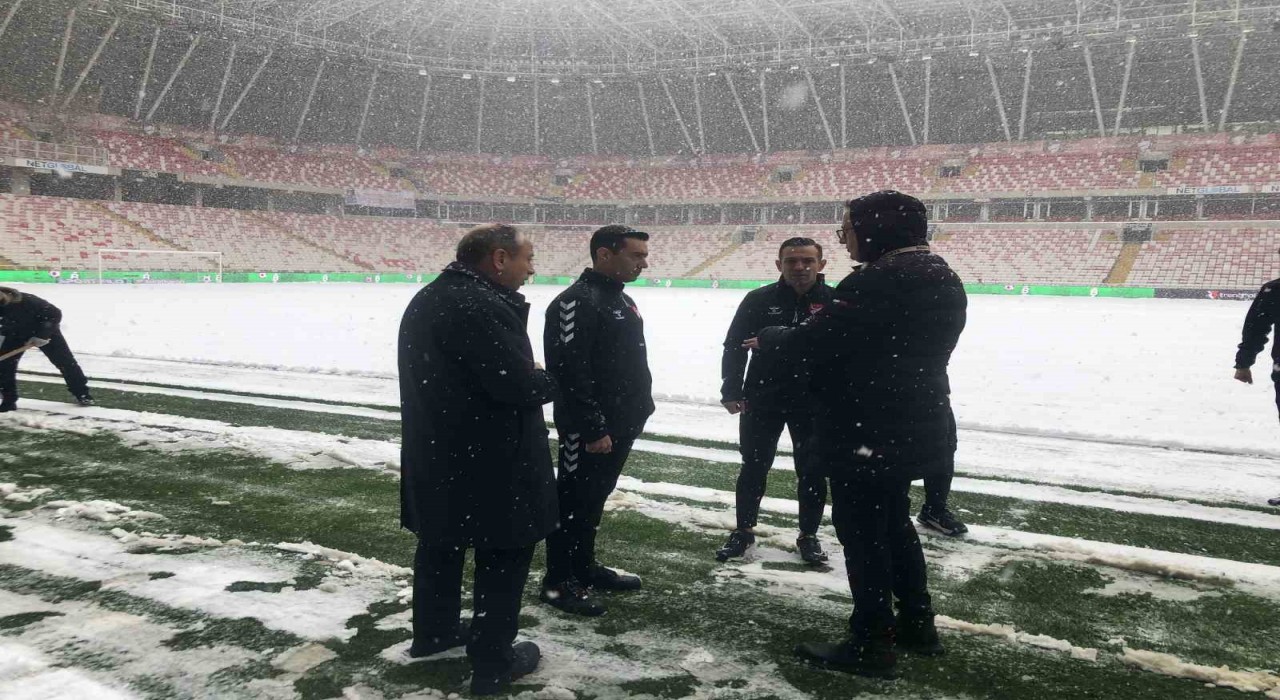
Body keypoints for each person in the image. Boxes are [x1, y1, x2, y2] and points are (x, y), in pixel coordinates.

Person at [749, 191, 966, 678]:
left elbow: (815, 341)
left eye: (847, 225)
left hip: (871, 430)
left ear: (876, 228)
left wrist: (771, 337)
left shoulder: (881, 280)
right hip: (916, 423)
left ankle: (871, 641)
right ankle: (917, 623)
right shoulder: (940, 274)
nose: (842, 235)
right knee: (893, 523)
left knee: (863, 534)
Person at [398, 224, 556, 696]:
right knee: (503, 555)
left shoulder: (433, 296)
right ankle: (493, 662)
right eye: (528, 258)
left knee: (440, 544)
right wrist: (547, 379)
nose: (533, 268)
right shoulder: (479, 306)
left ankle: (435, 632)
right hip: (491, 460)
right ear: (499, 259)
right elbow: (517, 387)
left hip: (438, 452)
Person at [541, 224, 655, 617]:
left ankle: (583, 569)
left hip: (620, 424)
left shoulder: (619, 299)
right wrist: (591, 427)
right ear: (605, 254)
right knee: (571, 502)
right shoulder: (576, 301)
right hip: (591, 429)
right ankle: (557, 583)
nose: (644, 262)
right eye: (635, 255)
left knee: (593, 501)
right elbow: (569, 371)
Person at [716, 237, 834, 565]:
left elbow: (842, 352)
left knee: (811, 470)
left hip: (813, 401)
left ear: (821, 265)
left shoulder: (834, 301)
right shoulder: (758, 299)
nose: (800, 267)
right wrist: (731, 389)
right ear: (778, 264)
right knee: (754, 465)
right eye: (792, 261)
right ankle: (743, 530)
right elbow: (733, 345)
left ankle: (808, 535)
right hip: (762, 396)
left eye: (807, 261)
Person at [0, 286, 92, 412]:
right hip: (14, 334)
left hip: (45, 332)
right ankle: (9, 400)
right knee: (5, 366)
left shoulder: (27, 301)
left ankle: (82, 393)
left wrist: (42, 335)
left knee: (65, 362)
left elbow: (54, 313)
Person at [1232, 273, 1280, 507]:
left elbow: (1255, 328)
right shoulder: (1274, 290)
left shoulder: (1274, 290)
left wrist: (1244, 363)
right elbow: (1255, 328)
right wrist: (1244, 362)